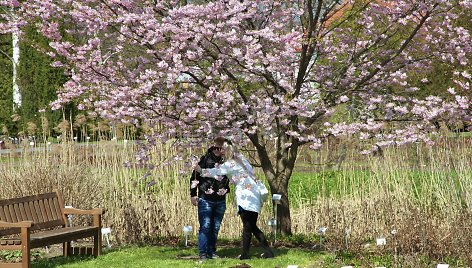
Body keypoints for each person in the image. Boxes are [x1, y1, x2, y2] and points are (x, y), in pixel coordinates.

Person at [195, 141, 274, 260]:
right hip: (254, 195)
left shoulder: (230, 163)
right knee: (252, 226)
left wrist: (200, 170)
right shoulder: (241, 159)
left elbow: (216, 172)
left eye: (222, 149)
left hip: (245, 197)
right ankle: (266, 252)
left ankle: (246, 255)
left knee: (248, 227)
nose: (220, 151)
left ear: (226, 151)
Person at [190, 137, 231, 261]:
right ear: (215, 147)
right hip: (205, 198)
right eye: (218, 148)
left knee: (216, 227)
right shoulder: (205, 159)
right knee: (206, 226)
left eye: (223, 148)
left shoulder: (226, 162)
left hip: (220, 199)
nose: (220, 150)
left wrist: (226, 189)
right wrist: (193, 194)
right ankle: (203, 253)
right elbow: (195, 177)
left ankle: (211, 251)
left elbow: (228, 180)